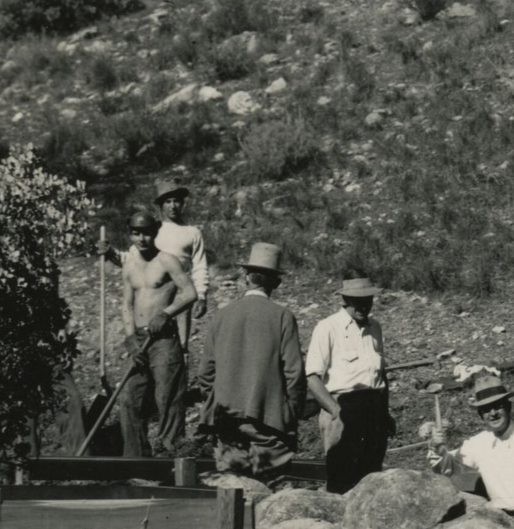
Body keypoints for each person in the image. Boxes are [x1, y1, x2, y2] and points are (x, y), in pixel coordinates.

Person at [196, 242, 307, 476]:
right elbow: (294, 374)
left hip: (226, 418)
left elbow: (206, 373)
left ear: (246, 277)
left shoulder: (222, 316)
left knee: (233, 491)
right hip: (268, 419)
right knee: (270, 491)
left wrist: (217, 400)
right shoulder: (283, 317)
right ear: (276, 282)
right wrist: (290, 413)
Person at [115, 210, 197, 457]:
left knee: (168, 398)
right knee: (128, 398)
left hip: (163, 340)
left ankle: (171, 456)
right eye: (136, 233)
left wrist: (166, 313)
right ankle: (136, 460)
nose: (141, 239)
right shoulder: (129, 266)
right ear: (129, 234)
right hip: (139, 341)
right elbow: (127, 305)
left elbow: (190, 293)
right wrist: (130, 337)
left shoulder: (167, 261)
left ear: (156, 232)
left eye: (147, 233)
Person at [306, 276, 393, 493]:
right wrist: (335, 412)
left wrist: (385, 413)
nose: (364, 306)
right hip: (342, 408)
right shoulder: (328, 327)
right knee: (341, 479)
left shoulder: (375, 327)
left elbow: (381, 375)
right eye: (357, 301)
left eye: (368, 300)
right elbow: (312, 377)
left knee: (371, 478)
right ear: (345, 300)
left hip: (373, 411)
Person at [429, 373, 514, 514]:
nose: (492, 413)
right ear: (480, 415)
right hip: (500, 513)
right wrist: (436, 447)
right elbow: (447, 468)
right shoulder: (480, 442)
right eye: (486, 409)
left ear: (508, 407)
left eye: (497, 406)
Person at [153, 180, 210, 347]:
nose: (173, 206)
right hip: (155, 292)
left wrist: (201, 296)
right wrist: (112, 254)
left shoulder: (192, 232)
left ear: (183, 203)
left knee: (180, 344)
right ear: (161, 206)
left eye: (176, 201)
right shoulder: (153, 230)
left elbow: (200, 266)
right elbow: (134, 258)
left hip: (181, 295)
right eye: (168, 202)